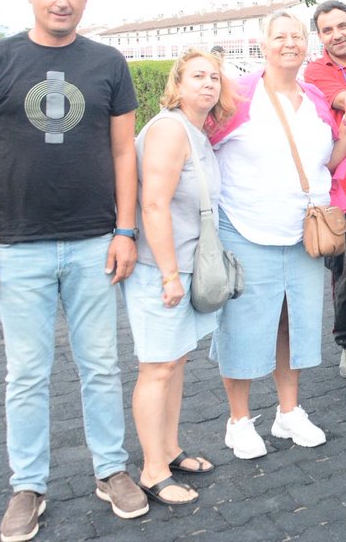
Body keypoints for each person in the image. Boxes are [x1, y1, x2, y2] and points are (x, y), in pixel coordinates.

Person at [0, 0, 148, 541]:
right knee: (27, 374)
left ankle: (111, 470)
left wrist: (125, 230)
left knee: (100, 366)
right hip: (17, 247)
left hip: (95, 243)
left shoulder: (108, 63)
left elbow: (124, 155)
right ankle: (29, 486)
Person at [207, 9, 346, 459]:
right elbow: (201, 145)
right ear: (263, 44)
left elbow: (329, 163)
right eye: (280, 36)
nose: (289, 43)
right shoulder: (238, 95)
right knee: (243, 325)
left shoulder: (313, 97)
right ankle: (238, 420)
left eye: (296, 36)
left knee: (292, 322)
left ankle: (288, 412)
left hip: (301, 233)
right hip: (246, 229)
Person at [123, 50, 236, 507]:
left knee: (176, 362)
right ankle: (152, 470)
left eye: (214, 77)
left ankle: (168, 450)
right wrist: (169, 274)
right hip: (160, 270)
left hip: (186, 267)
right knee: (156, 367)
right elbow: (153, 204)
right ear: (178, 83)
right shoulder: (170, 129)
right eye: (197, 77)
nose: (208, 84)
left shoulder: (196, 131)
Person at [303, 0, 346, 380]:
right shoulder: (315, 72)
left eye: (342, 26)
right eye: (328, 30)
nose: (337, 34)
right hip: (341, 192)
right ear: (320, 36)